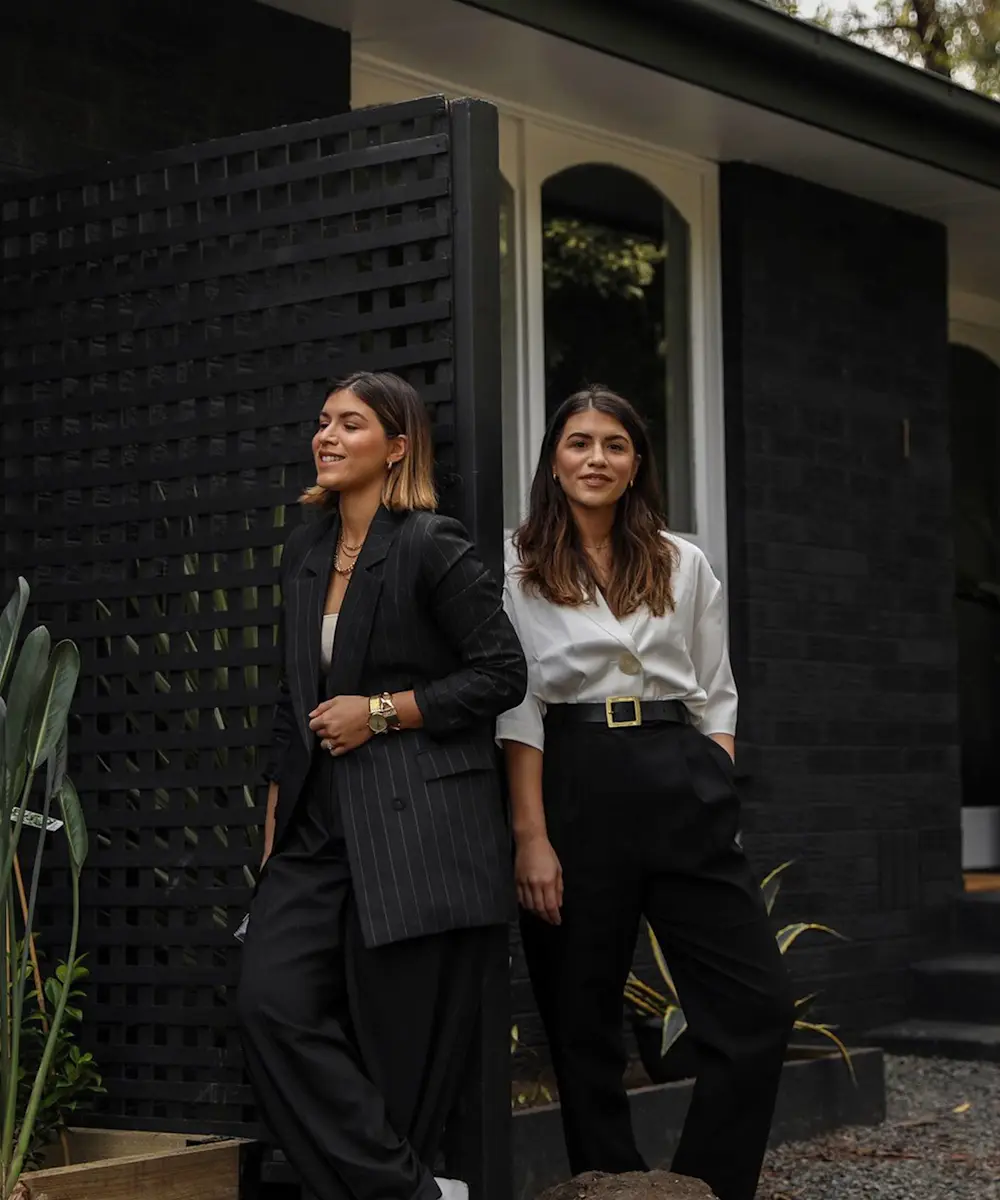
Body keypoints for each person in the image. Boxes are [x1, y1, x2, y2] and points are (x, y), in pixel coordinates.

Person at [497, 386, 794, 1200]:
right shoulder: (516, 569)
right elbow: (518, 711)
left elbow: (716, 691)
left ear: (636, 466)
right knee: (582, 1018)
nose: (597, 458)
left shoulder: (681, 560)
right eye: (579, 442)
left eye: (616, 445)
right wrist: (531, 836)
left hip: (679, 774)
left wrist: (713, 780)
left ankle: (704, 1187)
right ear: (554, 461)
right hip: (574, 782)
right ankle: (611, 1186)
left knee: (756, 1008)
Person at [238, 370, 527, 1200]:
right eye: (323, 421)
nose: (327, 435)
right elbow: (289, 717)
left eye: (351, 425)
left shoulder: (432, 543)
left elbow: (502, 674)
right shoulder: (304, 551)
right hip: (314, 834)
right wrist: (271, 856)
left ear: (397, 447)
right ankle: (419, 1195)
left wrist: (384, 710)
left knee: (395, 1063)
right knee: (270, 1005)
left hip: (414, 836)